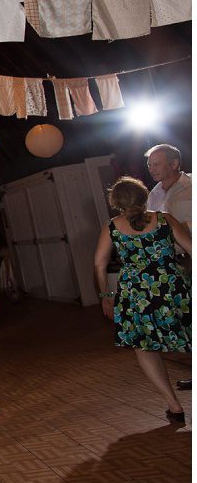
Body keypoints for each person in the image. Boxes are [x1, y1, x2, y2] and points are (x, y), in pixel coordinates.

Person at [93, 176, 191, 423]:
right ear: (144, 195)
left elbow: (99, 263)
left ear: (116, 202)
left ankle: (174, 405)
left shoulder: (112, 226)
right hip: (172, 287)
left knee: (145, 348)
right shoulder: (164, 218)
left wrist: (106, 296)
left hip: (136, 295)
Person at [144, 143, 192, 391]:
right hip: (172, 265)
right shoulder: (154, 194)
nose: (151, 169)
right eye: (150, 164)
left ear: (174, 164)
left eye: (156, 164)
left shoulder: (191, 186)